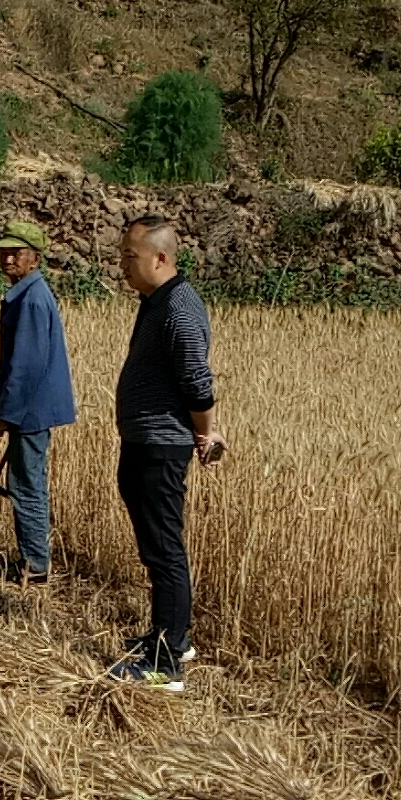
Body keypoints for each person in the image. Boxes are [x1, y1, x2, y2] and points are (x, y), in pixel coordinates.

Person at [107, 216, 227, 693]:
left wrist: (206, 433)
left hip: (162, 445)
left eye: (130, 256)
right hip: (145, 440)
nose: (123, 265)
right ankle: (169, 634)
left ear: (160, 258)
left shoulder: (179, 309)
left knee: (165, 550)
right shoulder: (157, 301)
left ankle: (166, 662)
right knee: (155, 547)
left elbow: (197, 381)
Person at [0, 220, 76, 585]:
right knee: (27, 480)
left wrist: (4, 415)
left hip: (30, 410)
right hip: (31, 408)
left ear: (35, 259)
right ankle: (34, 560)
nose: (8, 259)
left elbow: (25, 366)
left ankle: (35, 565)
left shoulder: (32, 299)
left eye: (16, 253)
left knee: (26, 484)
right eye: (4, 252)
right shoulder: (29, 294)